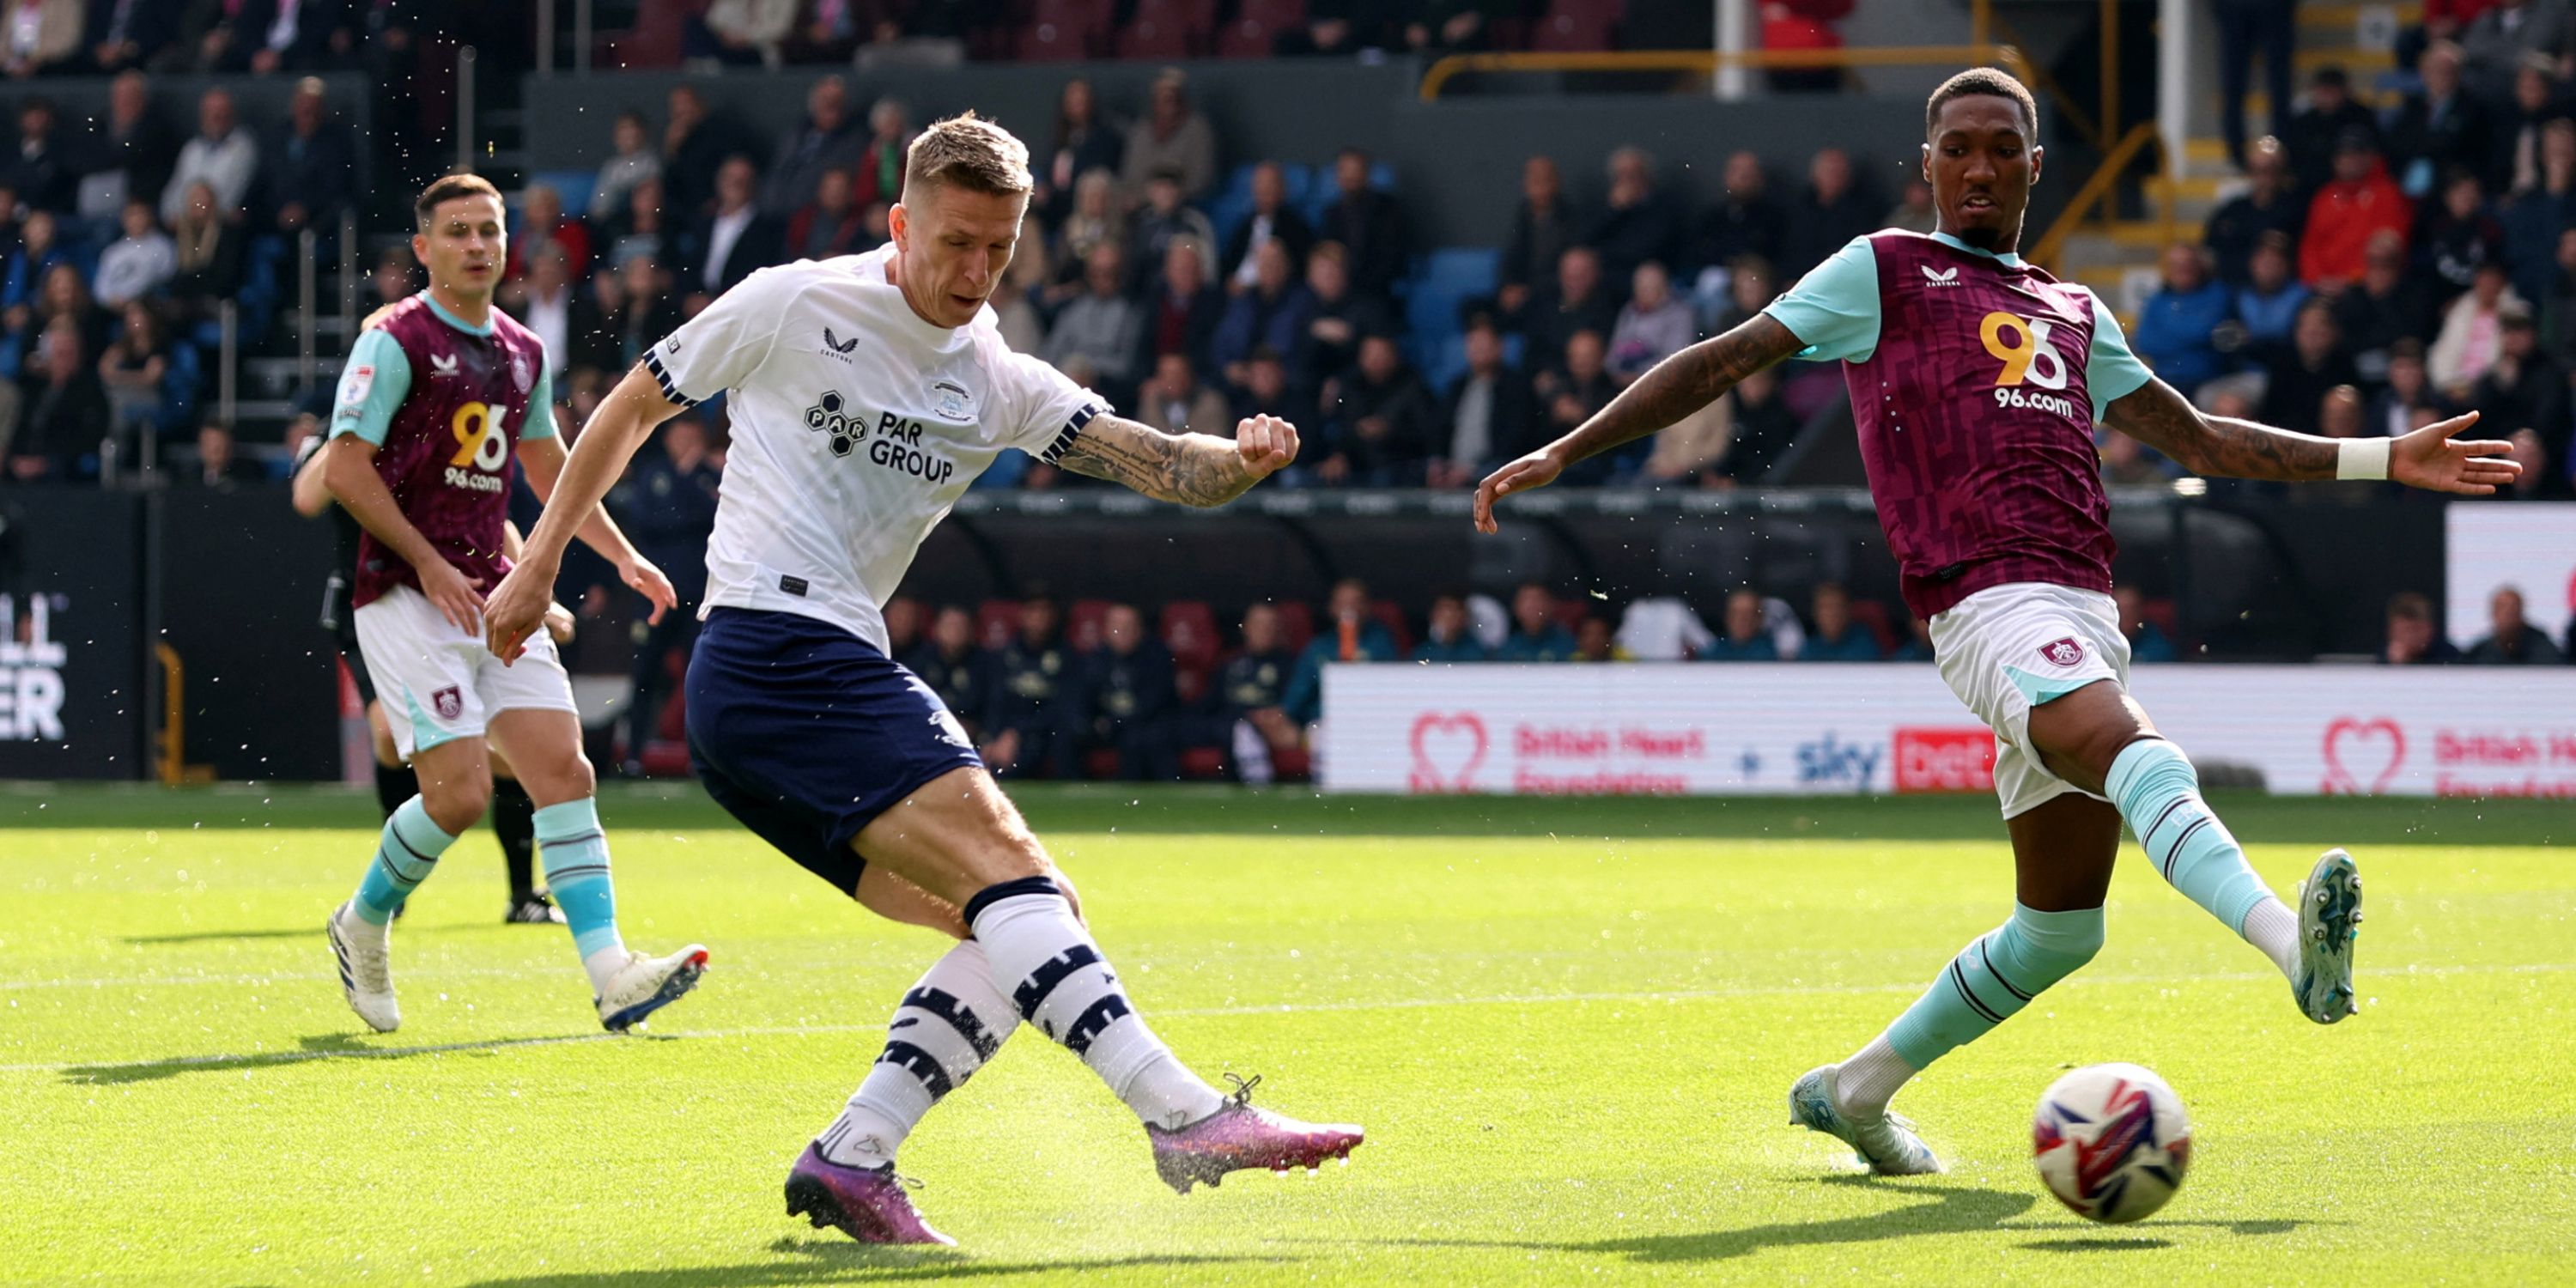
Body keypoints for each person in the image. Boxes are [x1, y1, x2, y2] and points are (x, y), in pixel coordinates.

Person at [1475, 67, 2517, 1176]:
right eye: (1957, 148)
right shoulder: (1883, 270)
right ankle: (2291, 953)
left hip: (2079, 611)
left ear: (2032, 167)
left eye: (2000, 149)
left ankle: (1852, 1092)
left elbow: (2205, 440)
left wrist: (2384, 457)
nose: (1978, 166)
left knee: (2064, 927)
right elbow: (1724, 358)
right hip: (1986, 603)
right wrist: (1567, 447)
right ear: (1927, 167)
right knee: (2141, 758)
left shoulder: (2074, 309)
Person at [483, 113, 1358, 1244]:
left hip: (794, 685)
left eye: (997, 249)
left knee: (1016, 920)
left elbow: (1165, 466)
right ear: (901, 223)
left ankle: (853, 1158)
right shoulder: (794, 301)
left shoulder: (999, 379)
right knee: (1018, 883)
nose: (972, 271)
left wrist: (1240, 462)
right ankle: (1182, 1112)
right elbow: (631, 406)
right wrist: (539, 557)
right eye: (952, 243)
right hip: (774, 652)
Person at [315, 173, 706, 1039]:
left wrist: (624, 555)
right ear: (424, 249)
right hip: (407, 597)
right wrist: (430, 564)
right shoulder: (394, 339)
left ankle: (612, 975)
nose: (478, 245)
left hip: (492, 593)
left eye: (489, 230)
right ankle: (363, 920)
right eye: (457, 232)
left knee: (563, 771)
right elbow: (342, 470)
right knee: (455, 798)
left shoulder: (522, 348)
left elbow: (546, 472)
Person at [291, 412, 568, 924]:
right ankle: (390, 889)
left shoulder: (434, 428)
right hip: (375, 608)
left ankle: (522, 896)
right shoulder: (345, 436)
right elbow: (308, 496)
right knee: (388, 737)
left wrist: (535, 591)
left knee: (509, 759)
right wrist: (356, 421)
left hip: (451, 601)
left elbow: (491, 521)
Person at [611, 413, 721, 774]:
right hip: (655, 593)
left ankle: (701, 756)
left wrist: (689, 482)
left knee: (700, 676)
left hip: (699, 594)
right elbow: (645, 520)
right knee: (644, 672)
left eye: (692, 434)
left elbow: (718, 519)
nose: (685, 441)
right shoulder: (652, 473)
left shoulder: (711, 475)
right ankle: (634, 754)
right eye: (680, 433)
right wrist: (688, 513)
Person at [1082, 603, 1180, 781]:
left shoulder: (1157, 657)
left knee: (1145, 737)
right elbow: (1081, 700)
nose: (1123, 632)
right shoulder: (1094, 660)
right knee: (1070, 733)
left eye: (1128, 626)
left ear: (1140, 630)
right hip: (1105, 727)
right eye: (1117, 627)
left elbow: (1154, 704)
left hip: (1141, 726)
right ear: (1106, 630)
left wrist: (1114, 722)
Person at [1283, 576, 1397, 726]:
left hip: (1370, 721)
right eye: (1343, 602)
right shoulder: (1318, 647)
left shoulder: (1381, 642)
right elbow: (1298, 692)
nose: (1349, 608)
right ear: (1332, 608)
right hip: (1323, 721)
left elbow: (1391, 688)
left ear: (1367, 607)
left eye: (1355, 602)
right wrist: (1284, 715)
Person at [1214, 602, 1301, 783]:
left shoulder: (1289, 665)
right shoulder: (1229, 664)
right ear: (1245, 628)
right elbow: (1211, 703)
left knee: (1245, 731)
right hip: (1229, 723)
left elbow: (1293, 705)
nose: (1264, 631)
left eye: (1270, 625)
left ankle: (1258, 784)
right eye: (1259, 625)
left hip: (1270, 727)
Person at [2202, 137, 2305, 287]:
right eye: (2257, 170)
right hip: (2234, 287)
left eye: (2271, 170)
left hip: (2282, 288)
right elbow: (2210, 250)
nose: (2264, 177)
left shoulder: (2296, 210)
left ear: (2282, 172)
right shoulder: (2232, 211)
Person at [2213, 0, 2298, 170]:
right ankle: (2248, 151)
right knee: (2240, 82)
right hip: (2256, 8)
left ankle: (2261, 150)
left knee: (2272, 83)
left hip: (2256, 8)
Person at [2467, 584, 2567, 661]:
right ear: (2493, 613)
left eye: (2513, 610)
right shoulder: (2479, 653)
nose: (2508, 615)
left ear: (2521, 612)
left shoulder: (2543, 649)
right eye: (2502, 609)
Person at [1492, 581, 1576, 661]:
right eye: (1526, 601)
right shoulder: (1507, 648)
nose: (1532, 607)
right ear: (1516, 607)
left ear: (1550, 605)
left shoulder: (1567, 644)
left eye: (1538, 600)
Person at [1799, 582, 1882, 660]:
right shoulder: (1809, 648)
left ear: (1848, 611)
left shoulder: (1864, 643)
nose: (1832, 614)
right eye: (1826, 607)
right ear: (1815, 613)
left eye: (1837, 606)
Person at [1696, 587, 1779, 660]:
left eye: (1748, 614)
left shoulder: (1773, 654)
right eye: (1736, 614)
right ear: (1727, 617)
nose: (1742, 620)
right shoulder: (1712, 653)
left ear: (1759, 619)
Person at [2381, 591, 2463, 664]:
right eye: (2403, 631)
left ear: (2430, 629)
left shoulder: (2450, 657)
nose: (2409, 636)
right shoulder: (2379, 660)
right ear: (2391, 631)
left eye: (2415, 630)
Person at [2111, 584, 2179, 662]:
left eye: (2131, 609)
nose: (2126, 615)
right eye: (2120, 609)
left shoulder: (2156, 646)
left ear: (2141, 612)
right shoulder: (2100, 640)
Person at [1412, 592, 1487, 661]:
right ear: (1433, 614)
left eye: (1455, 612)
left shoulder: (1477, 652)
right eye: (1443, 611)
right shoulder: (1423, 652)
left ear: (1464, 616)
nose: (1449, 617)